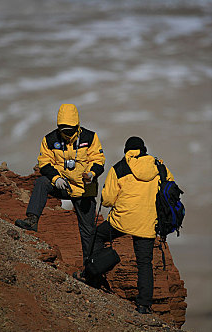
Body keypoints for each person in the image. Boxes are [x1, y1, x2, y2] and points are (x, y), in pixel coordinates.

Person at [87, 136, 174, 313]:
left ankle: (92, 276)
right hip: (148, 223)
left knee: (98, 235)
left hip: (122, 220)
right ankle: (144, 305)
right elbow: (170, 191)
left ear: (127, 151)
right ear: (144, 150)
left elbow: (108, 200)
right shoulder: (160, 167)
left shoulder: (119, 168)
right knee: (144, 263)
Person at [15, 103, 105, 262]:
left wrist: (91, 173)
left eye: (70, 129)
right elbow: (44, 162)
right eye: (63, 129)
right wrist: (56, 179)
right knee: (42, 182)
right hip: (62, 185)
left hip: (84, 189)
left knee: (88, 230)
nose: (66, 133)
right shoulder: (50, 139)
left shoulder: (90, 137)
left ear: (77, 125)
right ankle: (32, 220)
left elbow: (98, 160)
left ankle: (90, 265)